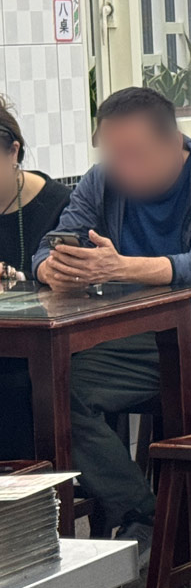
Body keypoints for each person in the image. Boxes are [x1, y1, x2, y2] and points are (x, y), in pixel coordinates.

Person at [31, 88, 191, 557]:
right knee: (55, 390)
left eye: (135, 155)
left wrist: (116, 267)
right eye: (113, 155)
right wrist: (52, 268)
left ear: (173, 143)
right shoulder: (102, 181)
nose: (123, 167)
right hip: (142, 339)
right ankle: (146, 514)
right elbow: (51, 242)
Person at [0, 98, 72, 460]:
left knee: (12, 386)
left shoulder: (60, 206)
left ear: (13, 151)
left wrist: (21, 278)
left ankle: (25, 502)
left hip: (44, 353)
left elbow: (75, 287)